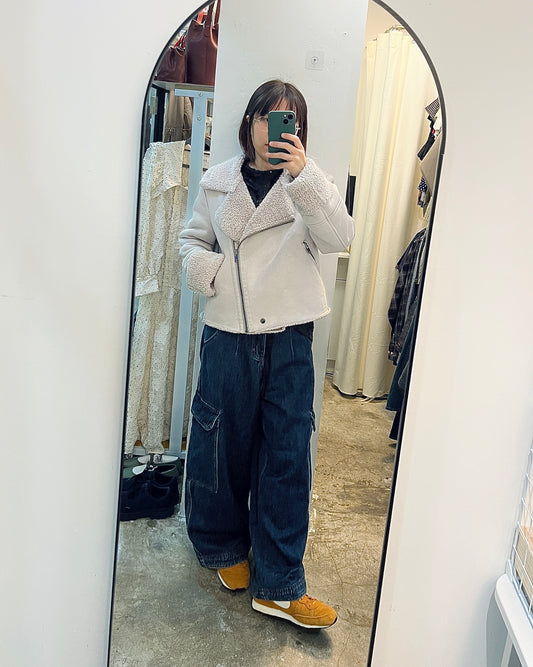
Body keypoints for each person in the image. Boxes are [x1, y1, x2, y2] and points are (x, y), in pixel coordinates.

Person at [178, 80, 355, 629]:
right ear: (250, 122)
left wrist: (304, 177)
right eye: (265, 117)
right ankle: (221, 544)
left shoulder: (310, 184)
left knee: (287, 455)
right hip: (229, 331)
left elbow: (341, 237)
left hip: (289, 335)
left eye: (287, 120)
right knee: (219, 443)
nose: (273, 129)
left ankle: (279, 583)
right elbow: (191, 242)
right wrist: (211, 275)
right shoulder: (217, 181)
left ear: (298, 130)